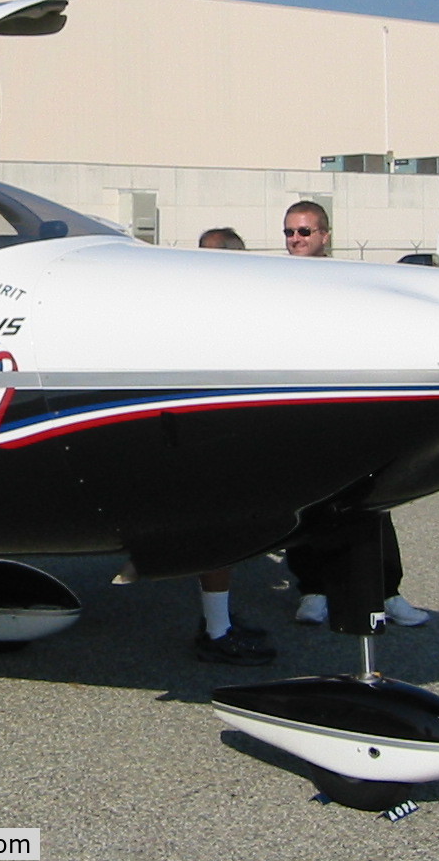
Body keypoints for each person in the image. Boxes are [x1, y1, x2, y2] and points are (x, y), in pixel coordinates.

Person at [280, 200, 429, 628]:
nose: (296, 240)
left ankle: (388, 591)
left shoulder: (347, 281)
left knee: (370, 503)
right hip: (298, 413)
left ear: (325, 236)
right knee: (305, 506)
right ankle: (313, 590)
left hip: (344, 410)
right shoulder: (274, 284)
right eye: (289, 232)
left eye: (305, 232)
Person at [191, 227, 277, 665]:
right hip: (208, 436)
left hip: (228, 434)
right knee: (217, 535)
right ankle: (217, 632)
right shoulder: (204, 311)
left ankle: (218, 621)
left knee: (226, 538)